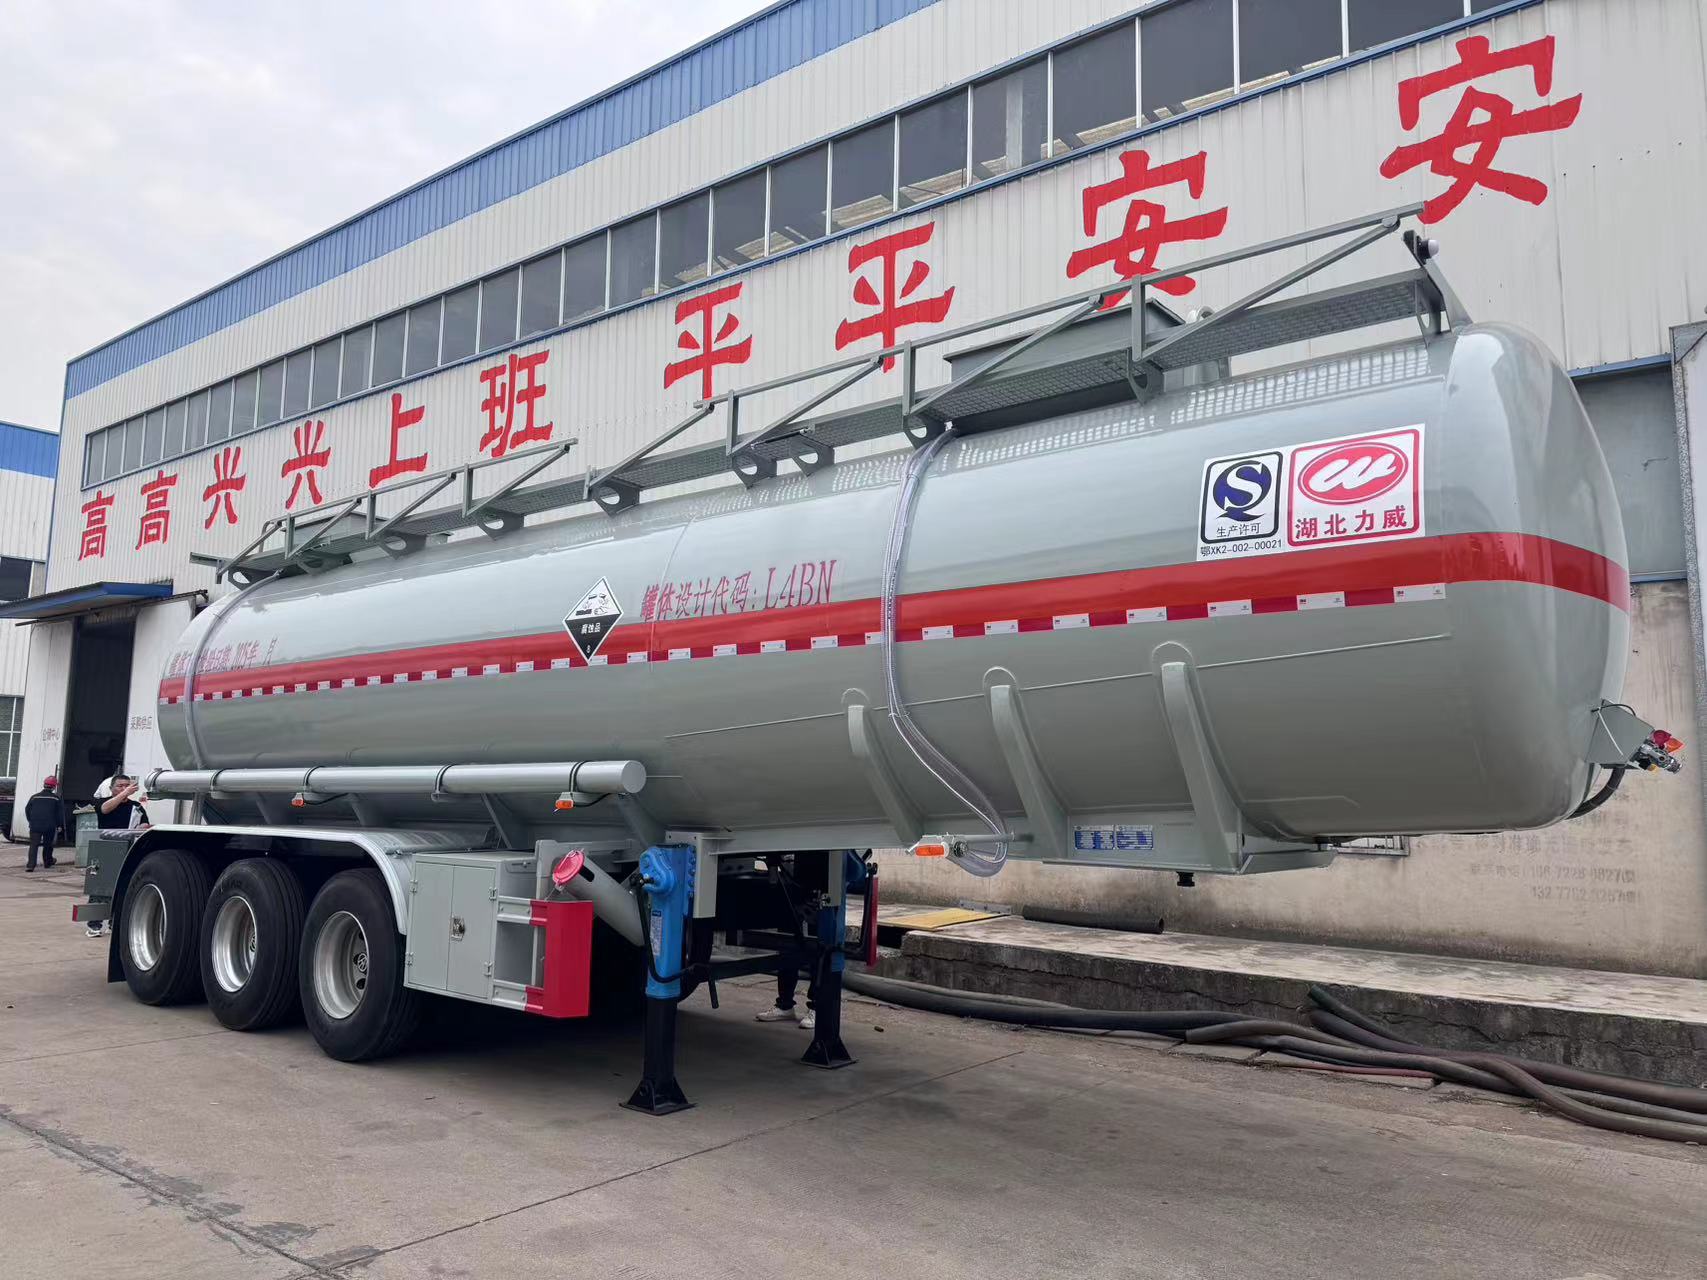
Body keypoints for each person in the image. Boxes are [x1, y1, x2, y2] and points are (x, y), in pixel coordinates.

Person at [756, 851, 871, 1031]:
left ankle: (817, 1007)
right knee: (788, 946)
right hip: (798, 884)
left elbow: (856, 871)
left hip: (823, 890)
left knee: (821, 950)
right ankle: (784, 1005)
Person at [23, 776, 66, 873]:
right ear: (54, 787)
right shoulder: (55, 798)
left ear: (44, 784)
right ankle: (47, 862)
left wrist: (31, 821)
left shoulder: (34, 797)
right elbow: (59, 814)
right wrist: (59, 825)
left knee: (34, 845)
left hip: (35, 825)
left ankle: (30, 866)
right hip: (49, 826)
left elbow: (27, 810)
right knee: (48, 844)